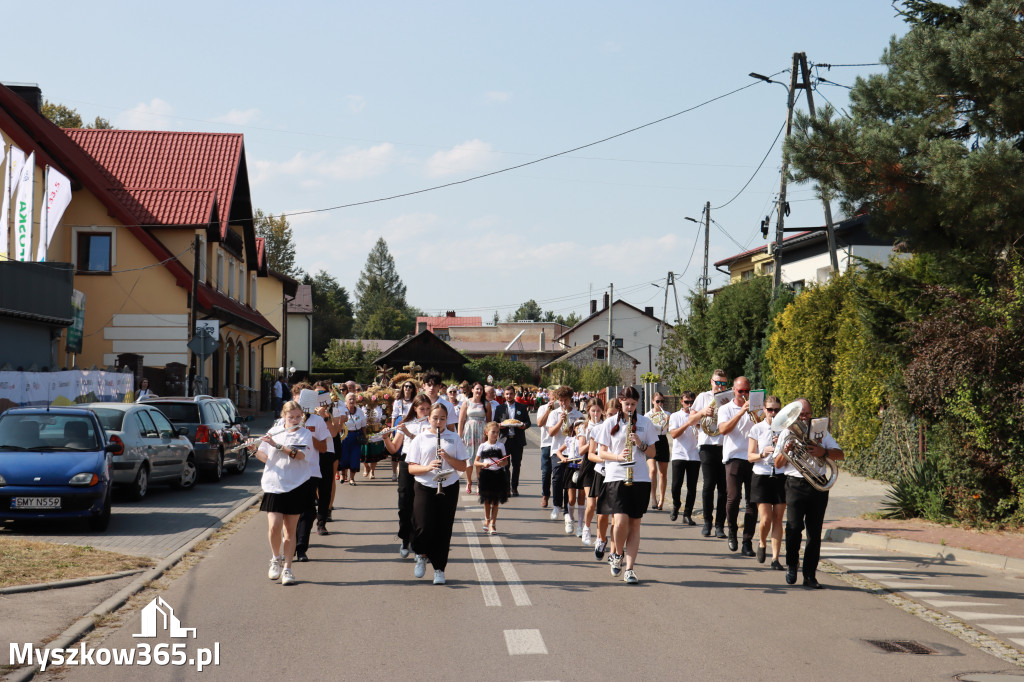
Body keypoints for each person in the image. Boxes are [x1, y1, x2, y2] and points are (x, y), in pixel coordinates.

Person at [773, 398, 844, 589]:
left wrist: (823, 452)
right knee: (794, 527)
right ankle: (791, 565)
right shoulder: (786, 433)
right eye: (800, 414)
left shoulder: (821, 432)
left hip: (818, 484)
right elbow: (777, 464)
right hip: (795, 484)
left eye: (807, 414)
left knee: (815, 531)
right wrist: (785, 451)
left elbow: (840, 454)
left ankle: (810, 574)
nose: (804, 418)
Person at [596, 386, 660, 584]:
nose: (630, 407)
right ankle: (616, 553)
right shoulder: (610, 423)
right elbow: (601, 453)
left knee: (635, 523)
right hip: (616, 476)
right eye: (626, 404)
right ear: (620, 402)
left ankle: (630, 569)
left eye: (633, 404)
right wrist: (618, 456)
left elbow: (653, 453)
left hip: (639, 478)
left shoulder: (645, 423)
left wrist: (640, 444)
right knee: (620, 520)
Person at [406, 402, 470, 585]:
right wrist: (428, 467)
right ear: (428, 419)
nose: (439, 421)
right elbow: (411, 468)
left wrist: (447, 458)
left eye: (442, 418)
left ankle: (439, 569)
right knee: (423, 526)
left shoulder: (454, 438)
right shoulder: (420, 438)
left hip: (448, 485)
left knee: (443, 528)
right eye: (435, 418)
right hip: (425, 485)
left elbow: (463, 466)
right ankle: (420, 553)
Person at [255, 400, 312, 586]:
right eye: (291, 417)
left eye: (298, 417)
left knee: (289, 531)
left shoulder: (305, 434)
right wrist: (253, 449)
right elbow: (265, 457)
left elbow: (300, 455)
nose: (295, 420)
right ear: (284, 416)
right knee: (274, 527)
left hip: (295, 485)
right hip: (274, 484)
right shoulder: (273, 432)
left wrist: (277, 445)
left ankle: (288, 568)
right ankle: (275, 558)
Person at [382, 393, 432, 558]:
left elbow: (426, 443)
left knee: (420, 506)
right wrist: (384, 438)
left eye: (427, 408)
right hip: (406, 462)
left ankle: (419, 545)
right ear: (415, 409)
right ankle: (405, 538)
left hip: (423, 464)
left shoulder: (432, 424)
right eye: (421, 409)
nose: (425, 412)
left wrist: (410, 435)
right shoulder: (405, 423)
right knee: (404, 503)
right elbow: (394, 448)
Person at [288, 384, 329, 563]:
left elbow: (324, 448)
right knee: (290, 510)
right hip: (289, 471)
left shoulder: (317, 421)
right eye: (297, 396)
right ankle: (290, 543)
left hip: (310, 471)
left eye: (304, 397)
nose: (300, 400)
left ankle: (301, 547)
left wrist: (307, 434)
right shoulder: (286, 420)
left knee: (307, 510)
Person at [717, 376, 757, 557]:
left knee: (752, 502)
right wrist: (741, 412)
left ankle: (747, 541)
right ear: (734, 390)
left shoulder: (757, 407)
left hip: (752, 458)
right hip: (733, 457)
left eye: (747, 391)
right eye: (741, 391)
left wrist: (756, 413)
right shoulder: (725, 408)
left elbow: (764, 427)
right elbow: (723, 430)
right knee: (733, 498)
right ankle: (732, 531)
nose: (744, 394)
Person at [689, 370, 730, 539]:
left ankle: (720, 525)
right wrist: (702, 413)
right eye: (717, 383)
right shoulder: (703, 397)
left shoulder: (729, 398)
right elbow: (691, 420)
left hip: (724, 446)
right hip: (707, 446)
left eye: (723, 383)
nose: (719, 386)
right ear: (711, 381)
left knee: (724, 489)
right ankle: (707, 522)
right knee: (708, 485)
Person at [747, 395, 786, 569]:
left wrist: (782, 446)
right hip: (761, 475)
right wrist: (763, 453)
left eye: (777, 410)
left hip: (781, 475)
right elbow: (750, 457)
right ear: (764, 410)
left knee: (778, 518)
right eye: (770, 410)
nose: (773, 413)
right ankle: (762, 542)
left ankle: (775, 558)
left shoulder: (786, 430)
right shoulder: (757, 428)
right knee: (766, 519)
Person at [547, 385, 584, 532]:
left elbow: (581, 433)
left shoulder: (577, 414)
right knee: (556, 478)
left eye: (566, 400)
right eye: (560, 400)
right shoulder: (554, 413)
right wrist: (559, 421)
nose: (563, 403)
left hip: (573, 453)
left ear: (570, 399)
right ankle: (556, 505)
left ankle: (567, 513)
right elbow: (551, 433)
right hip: (557, 450)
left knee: (569, 484)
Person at [667, 391, 700, 524]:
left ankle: (687, 514)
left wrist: (697, 423)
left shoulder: (699, 416)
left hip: (694, 455)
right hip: (679, 454)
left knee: (692, 487)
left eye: (692, 402)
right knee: (676, 485)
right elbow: (674, 434)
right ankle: (676, 505)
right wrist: (688, 423)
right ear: (681, 402)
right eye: (687, 402)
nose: (689, 405)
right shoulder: (675, 416)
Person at [493, 385, 531, 496]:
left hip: (517, 440)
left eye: (511, 394)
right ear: (504, 395)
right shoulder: (500, 408)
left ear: (514, 394)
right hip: (504, 441)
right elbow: (495, 423)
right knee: (505, 466)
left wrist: (523, 425)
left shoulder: (522, 407)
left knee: (516, 465)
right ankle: (507, 488)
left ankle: (514, 487)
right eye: (507, 394)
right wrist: (500, 425)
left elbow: (527, 422)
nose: (509, 396)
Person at [474, 422, 509, 534]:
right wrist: (483, 465)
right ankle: (486, 520)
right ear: (486, 432)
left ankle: (493, 524)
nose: (495, 434)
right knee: (487, 500)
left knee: (496, 501)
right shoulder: (483, 446)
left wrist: (501, 464)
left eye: (497, 432)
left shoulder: (501, 446)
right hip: (486, 475)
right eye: (493, 432)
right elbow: (476, 462)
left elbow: (505, 461)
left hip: (498, 475)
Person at [578, 397, 605, 546]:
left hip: (602, 463)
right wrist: (592, 441)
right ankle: (586, 527)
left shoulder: (605, 425)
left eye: (598, 411)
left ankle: (600, 536)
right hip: (589, 465)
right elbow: (581, 450)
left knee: (601, 504)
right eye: (593, 410)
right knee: (591, 503)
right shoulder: (584, 427)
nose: (596, 413)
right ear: (588, 411)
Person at [458, 382, 492, 496]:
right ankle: (468, 481)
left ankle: (479, 484)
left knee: (480, 460)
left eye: (481, 389)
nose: (479, 391)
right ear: (472, 390)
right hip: (469, 433)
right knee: (469, 460)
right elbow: (461, 420)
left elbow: (489, 422)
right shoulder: (466, 402)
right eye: (477, 389)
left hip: (481, 433)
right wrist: (459, 435)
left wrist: (488, 437)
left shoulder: (486, 404)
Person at [644, 392, 671, 510]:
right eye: (657, 401)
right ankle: (653, 498)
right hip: (651, 441)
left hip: (663, 440)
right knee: (653, 470)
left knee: (663, 473)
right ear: (653, 402)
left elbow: (669, 429)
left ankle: (662, 500)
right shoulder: (647, 416)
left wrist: (669, 421)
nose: (660, 404)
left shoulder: (667, 414)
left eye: (662, 401)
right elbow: (646, 429)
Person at [389, 381, 417, 481]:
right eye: (405, 386)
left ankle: (403, 470)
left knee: (406, 447)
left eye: (410, 387)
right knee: (396, 448)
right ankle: (393, 472)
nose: (407, 388)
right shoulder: (398, 401)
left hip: (410, 424)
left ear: (413, 389)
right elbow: (393, 415)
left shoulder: (414, 401)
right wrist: (392, 431)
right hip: (399, 422)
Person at [536, 392, 558, 508]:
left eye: (557, 396)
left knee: (558, 473)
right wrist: (548, 410)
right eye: (552, 395)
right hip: (546, 443)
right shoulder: (542, 408)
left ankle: (558, 497)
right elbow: (539, 423)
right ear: (548, 396)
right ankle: (545, 495)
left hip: (559, 444)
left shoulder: (561, 408)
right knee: (546, 472)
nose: (554, 398)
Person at [338, 392, 366, 485]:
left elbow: (363, 425)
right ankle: (343, 475)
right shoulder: (342, 411)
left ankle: (352, 478)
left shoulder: (359, 411)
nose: (352, 400)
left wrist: (364, 437)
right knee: (344, 457)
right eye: (349, 399)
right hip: (345, 436)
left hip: (356, 436)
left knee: (355, 457)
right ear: (345, 401)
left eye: (353, 399)